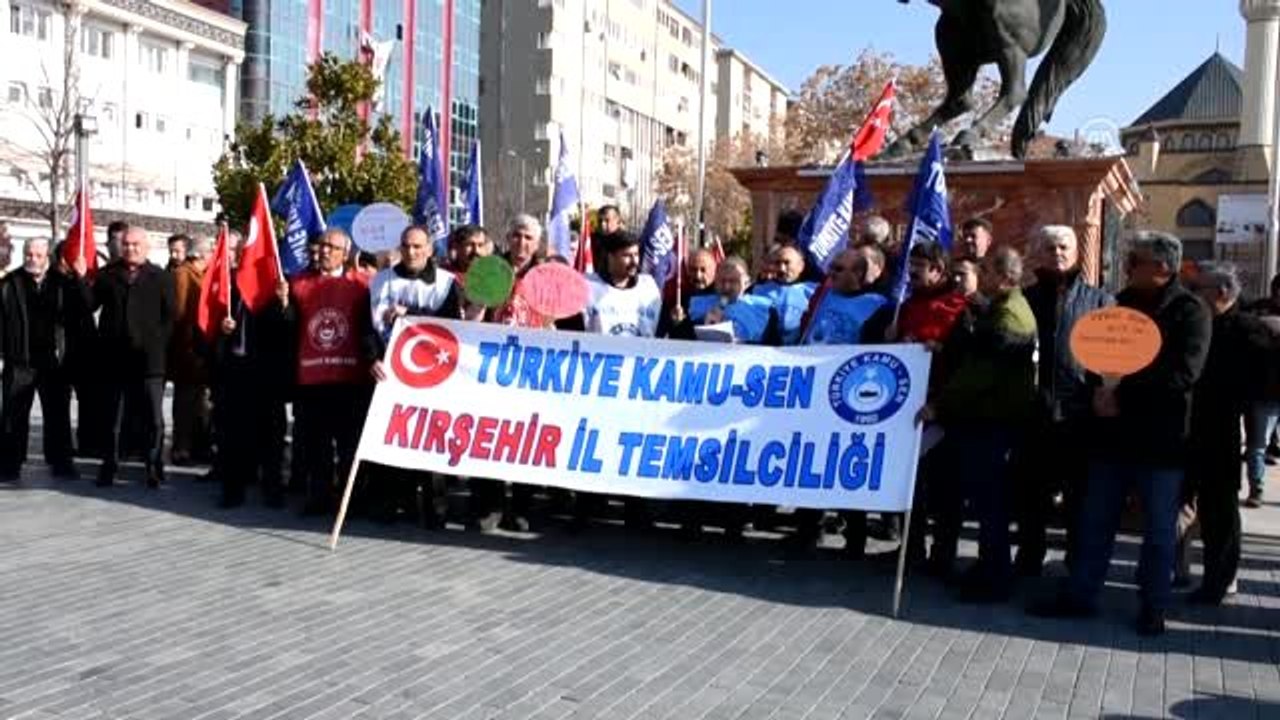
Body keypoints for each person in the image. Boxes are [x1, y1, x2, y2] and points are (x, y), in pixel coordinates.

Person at [1033, 231, 1211, 636]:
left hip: (1161, 442)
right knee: (1095, 522)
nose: (1126, 266)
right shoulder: (1121, 303)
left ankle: (1153, 605)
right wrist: (1098, 390)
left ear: (1161, 267)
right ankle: (1080, 595)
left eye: (1135, 260)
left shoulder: (1190, 311)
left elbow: (1183, 374)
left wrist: (1123, 396)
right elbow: (1096, 355)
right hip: (1111, 439)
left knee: (1159, 531)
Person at [926, 247, 1037, 602]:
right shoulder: (1001, 309)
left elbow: (982, 372)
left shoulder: (1008, 317)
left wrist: (940, 404)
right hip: (987, 418)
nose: (981, 276)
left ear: (1003, 277)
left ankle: (994, 577)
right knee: (988, 501)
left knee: (991, 504)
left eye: (986, 270)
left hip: (992, 420)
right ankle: (989, 566)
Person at [1016, 225, 1113, 576]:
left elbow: (1112, 358)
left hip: (1079, 416)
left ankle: (1077, 564)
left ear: (1076, 253)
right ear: (1038, 253)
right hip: (1033, 413)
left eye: (1063, 247)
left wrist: (1104, 394)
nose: (1057, 253)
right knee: (1031, 494)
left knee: (1079, 498)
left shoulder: (1099, 301)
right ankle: (1029, 558)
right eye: (1050, 247)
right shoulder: (1023, 299)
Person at [1185, 262, 1272, 604]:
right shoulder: (1203, 322)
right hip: (1193, 428)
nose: (1194, 295)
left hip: (1222, 431)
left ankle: (1219, 582)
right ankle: (1193, 574)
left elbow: (1261, 384)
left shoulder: (1248, 330)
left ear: (1221, 292)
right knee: (1198, 508)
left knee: (1219, 512)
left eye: (1199, 289)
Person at [368, 225, 462, 525]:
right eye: (406, 246)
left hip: (430, 375)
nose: (411, 252)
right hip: (389, 374)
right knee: (392, 440)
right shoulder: (381, 281)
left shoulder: (445, 283)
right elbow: (367, 326)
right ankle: (397, 503)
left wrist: (410, 317)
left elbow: (450, 327)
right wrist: (371, 358)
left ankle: (436, 508)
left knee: (429, 442)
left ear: (429, 249)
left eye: (418, 246)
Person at [281, 228, 376, 515]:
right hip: (312, 380)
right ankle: (318, 497)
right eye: (321, 245)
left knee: (349, 445)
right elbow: (289, 328)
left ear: (345, 254)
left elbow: (369, 328)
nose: (324, 251)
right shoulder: (297, 284)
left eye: (331, 247)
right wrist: (283, 305)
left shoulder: (362, 285)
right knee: (316, 445)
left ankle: (350, 499)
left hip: (350, 380)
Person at [78, 226, 176, 488]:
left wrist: (156, 345)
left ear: (146, 247)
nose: (130, 249)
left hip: (149, 361)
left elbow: (170, 317)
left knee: (153, 419)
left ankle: (153, 465)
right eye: (126, 244)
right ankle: (109, 464)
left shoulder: (161, 277)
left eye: (135, 245)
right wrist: (81, 279)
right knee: (112, 418)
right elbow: (90, 305)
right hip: (115, 359)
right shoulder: (107, 275)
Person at [580, 229, 663, 529]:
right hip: (599, 381)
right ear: (610, 257)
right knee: (595, 443)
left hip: (638, 382)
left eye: (636, 255)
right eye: (626, 255)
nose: (633, 261)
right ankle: (589, 505)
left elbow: (662, 330)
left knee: (633, 445)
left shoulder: (649, 288)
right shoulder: (589, 287)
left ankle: (635, 506)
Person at [0, 238, 92, 480]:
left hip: (54, 362)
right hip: (19, 361)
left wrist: (81, 278)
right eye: (29, 254)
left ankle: (61, 463)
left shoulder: (63, 284)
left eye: (38, 255)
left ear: (47, 257)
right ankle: (9, 464)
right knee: (13, 415)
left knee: (58, 415)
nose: (33, 259)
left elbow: (86, 309)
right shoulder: (9, 283)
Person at [211, 232, 289, 509]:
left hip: (266, 375)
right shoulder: (231, 287)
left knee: (271, 436)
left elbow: (287, 330)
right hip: (236, 372)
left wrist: (283, 304)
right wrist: (224, 330)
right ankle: (233, 489)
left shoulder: (277, 289)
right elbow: (214, 323)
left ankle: (272, 488)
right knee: (234, 434)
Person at [168, 236, 214, 465]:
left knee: (199, 403)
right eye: (211, 252)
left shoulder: (203, 275)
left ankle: (198, 446)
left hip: (201, 350)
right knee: (185, 403)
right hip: (186, 350)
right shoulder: (182, 275)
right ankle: (181, 448)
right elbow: (179, 314)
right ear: (201, 255)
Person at [1243, 273, 1280, 507]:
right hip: (1265, 390)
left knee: (1259, 445)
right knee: (1257, 444)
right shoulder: (1258, 312)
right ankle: (1256, 488)